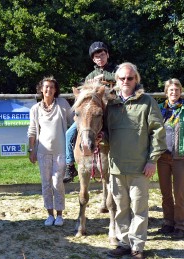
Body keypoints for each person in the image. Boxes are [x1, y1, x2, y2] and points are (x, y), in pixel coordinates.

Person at [105, 62, 166, 259]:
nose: (126, 81)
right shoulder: (110, 105)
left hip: (140, 167)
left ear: (136, 79)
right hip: (116, 167)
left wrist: (152, 160)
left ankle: (137, 247)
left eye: (130, 78)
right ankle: (124, 243)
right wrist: (100, 139)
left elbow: (157, 131)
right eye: (122, 78)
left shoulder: (147, 102)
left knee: (139, 209)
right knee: (121, 208)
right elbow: (105, 133)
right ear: (116, 80)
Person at [64, 41, 117, 183]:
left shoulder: (116, 71)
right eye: (96, 56)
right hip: (94, 113)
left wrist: (104, 78)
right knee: (70, 133)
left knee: (118, 131)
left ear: (107, 55)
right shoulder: (90, 76)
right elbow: (85, 95)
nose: (100, 58)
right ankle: (70, 165)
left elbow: (121, 79)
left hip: (111, 109)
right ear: (93, 59)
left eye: (102, 55)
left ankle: (122, 161)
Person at [157, 78, 184, 239]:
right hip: (163, 158)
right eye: (171, 90)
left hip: (180, 158)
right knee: (165, 193)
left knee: (179, 192)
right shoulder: (160, 109)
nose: (174, 93)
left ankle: (180, 226)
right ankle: (168, 222)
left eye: (177, 90)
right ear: (166, 92)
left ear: (180, 91)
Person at [28, 76, 72, 226]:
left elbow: (73, 122)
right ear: (41, 89)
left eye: (52, 87)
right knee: (46, 184)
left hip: (60, 151)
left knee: (57, 183)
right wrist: (31, 149)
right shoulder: (35, 109)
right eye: (46, 87)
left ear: (56, 90)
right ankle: (49, 214)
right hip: (42, 152)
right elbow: (32, 130)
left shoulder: (62, 104)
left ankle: (60, 215)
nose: (49, 89)